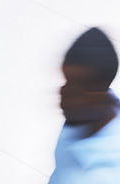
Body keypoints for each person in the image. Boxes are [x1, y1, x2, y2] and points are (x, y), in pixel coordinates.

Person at [49, 27, 120, 184]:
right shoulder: (80, 114)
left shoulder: (108, 175)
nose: (62, 91)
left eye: (73, 85)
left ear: (97, 97)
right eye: (65, 80)